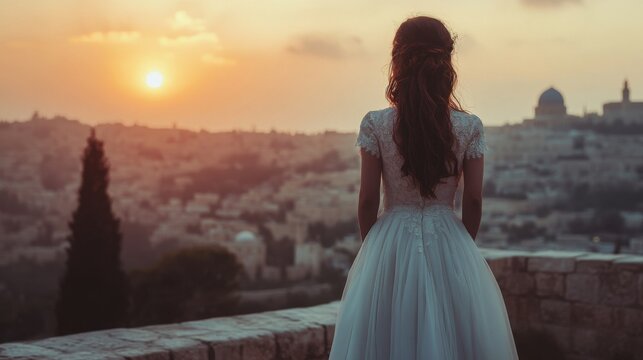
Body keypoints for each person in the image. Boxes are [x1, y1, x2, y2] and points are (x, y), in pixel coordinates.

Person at [328, 16, 519, 359]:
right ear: (446, 62)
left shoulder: (376, 124)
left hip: (390, 237)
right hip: (448, 236)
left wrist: (373, 248)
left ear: (398, 60)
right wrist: (460, 245)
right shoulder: (469, 126)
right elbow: (473, 199)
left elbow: (368, 198)